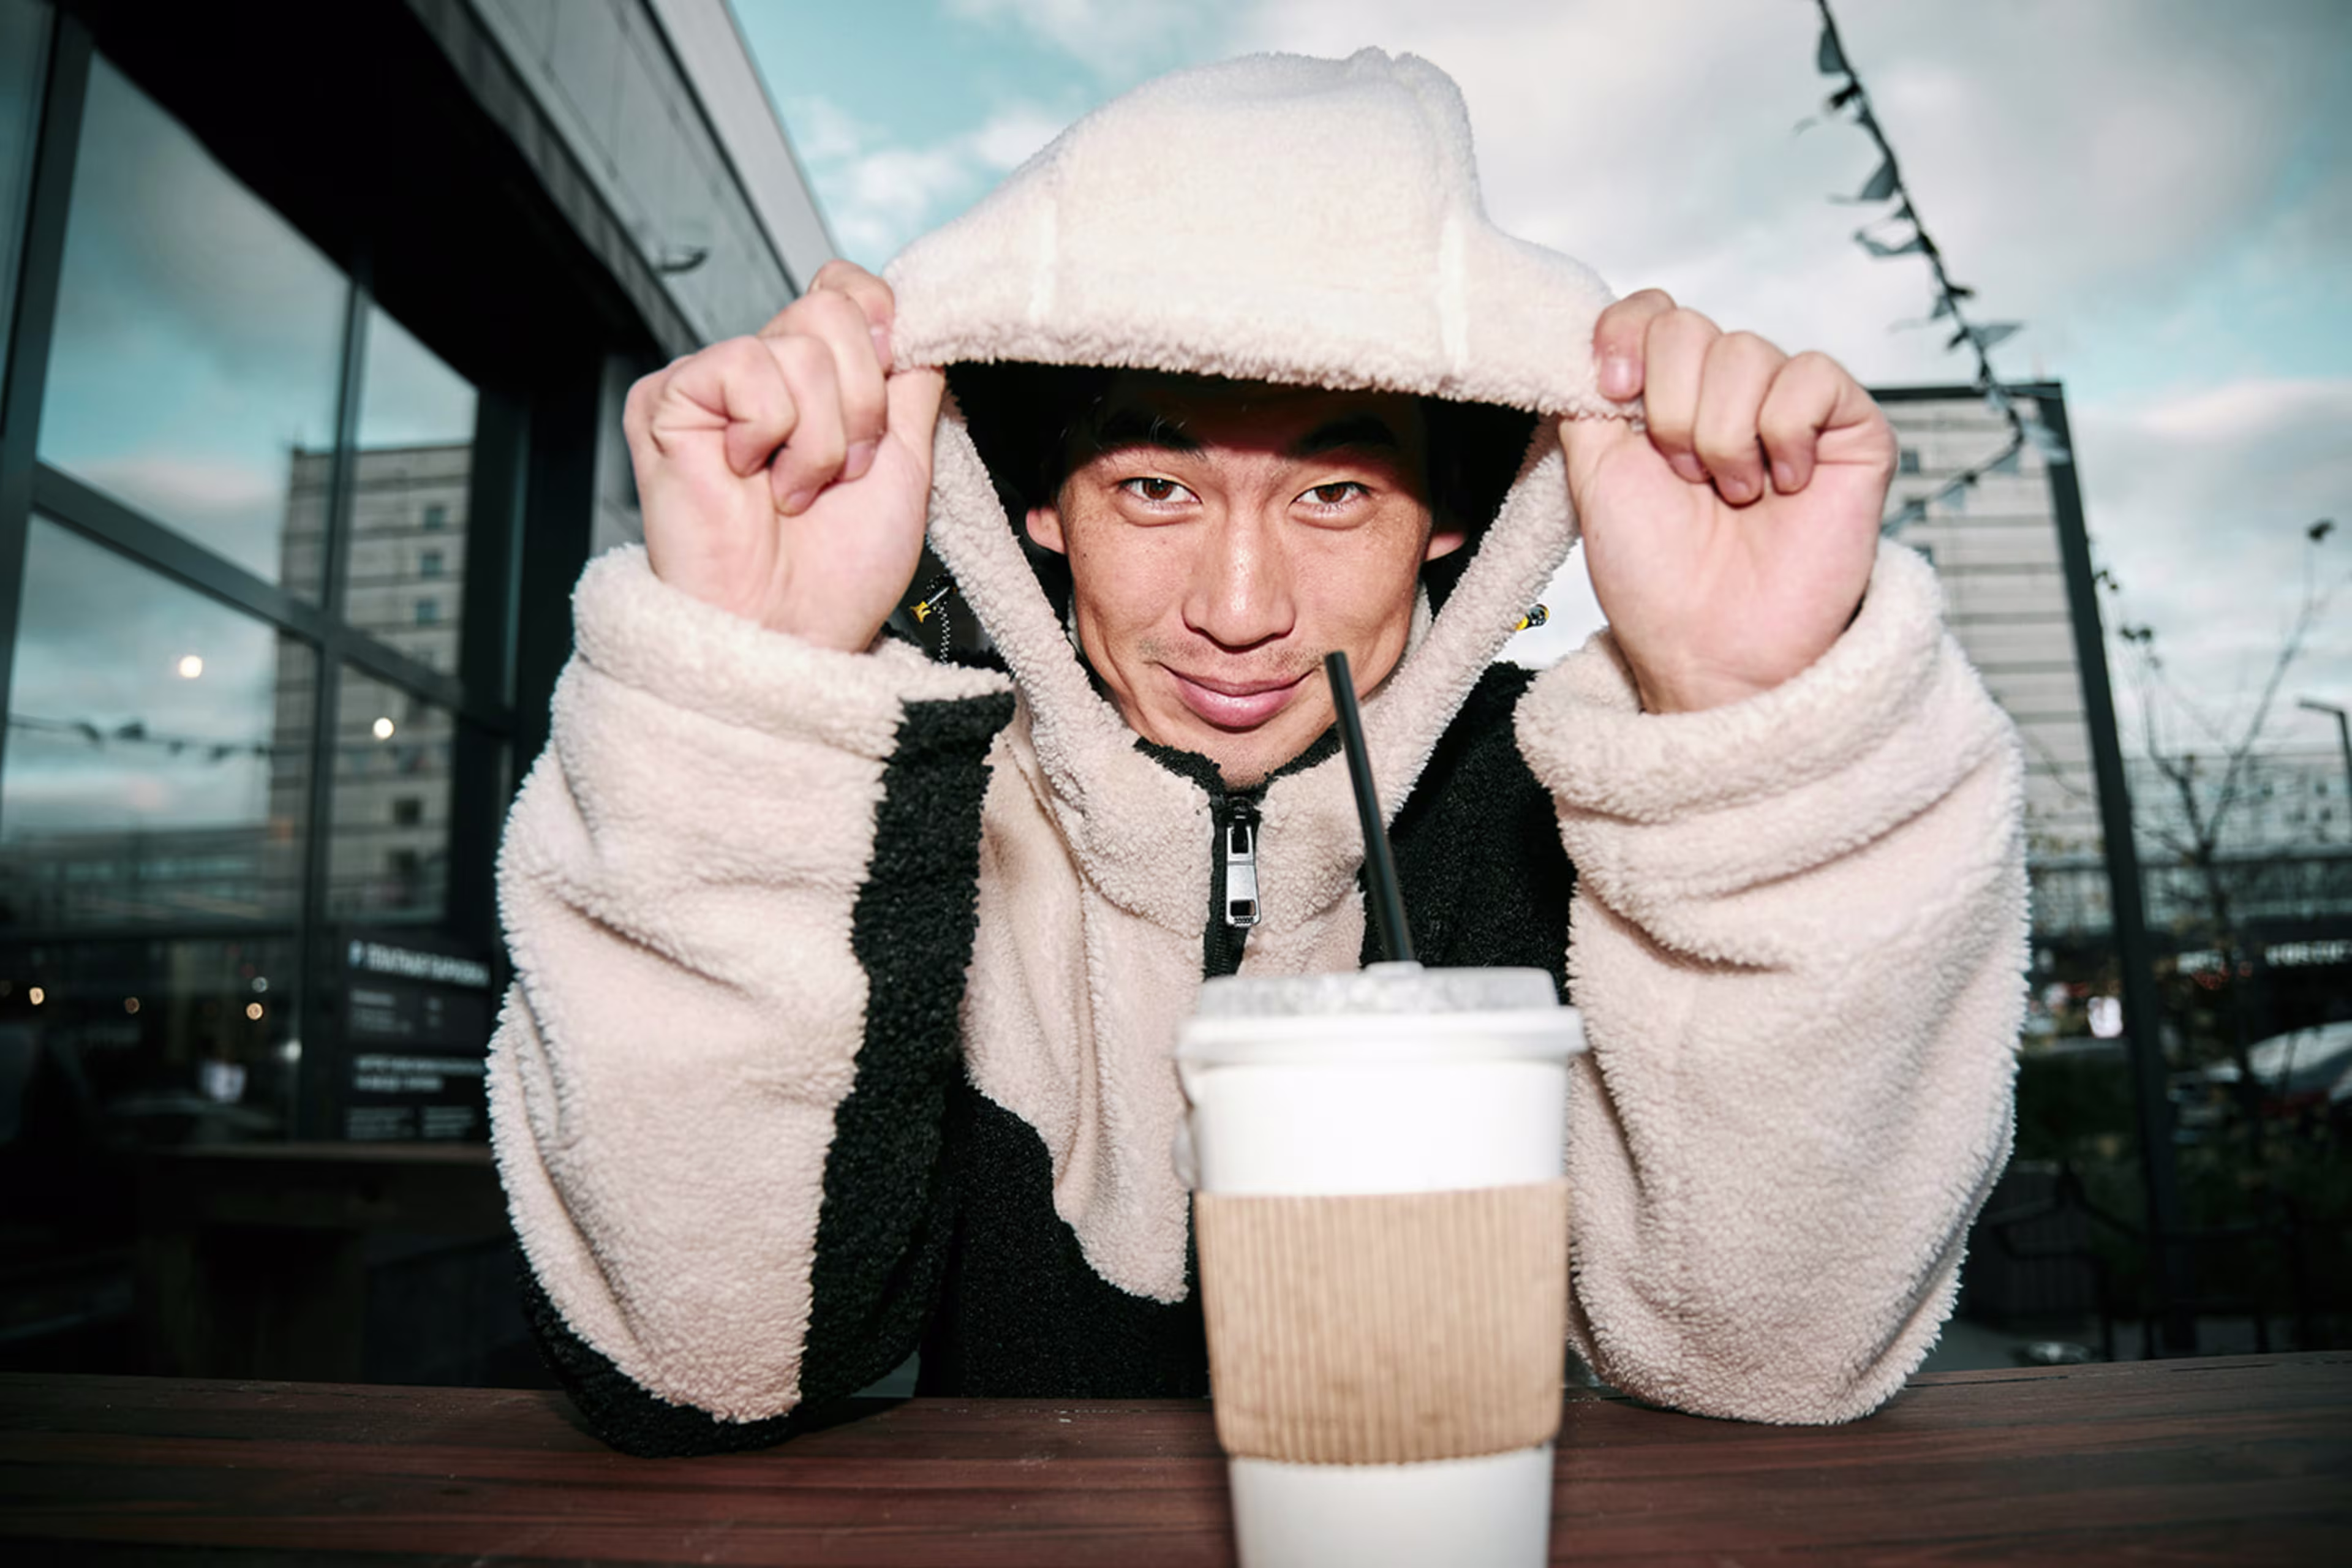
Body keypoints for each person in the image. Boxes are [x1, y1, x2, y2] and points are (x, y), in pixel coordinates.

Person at [487, 50, 2026, 1458]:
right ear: (1037, 504)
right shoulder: (888, 810)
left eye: (1336, 492)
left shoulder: (1589, 806)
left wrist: (1742, 725)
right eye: (1155, 483)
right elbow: (690, 1359)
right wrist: (758, 699)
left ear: (1451, 518)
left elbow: (1773, 1354)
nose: (1239, 611)